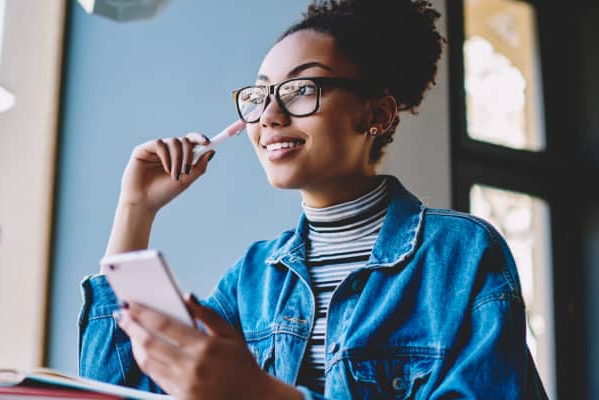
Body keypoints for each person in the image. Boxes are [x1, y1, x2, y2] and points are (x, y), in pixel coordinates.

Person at [77, 0, 548, 398]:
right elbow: (120, 388)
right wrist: (136, 210)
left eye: (302, 89)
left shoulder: (461, 254)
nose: (271, 115)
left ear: (377, 114)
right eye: (260, 95)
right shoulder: (252, 279)